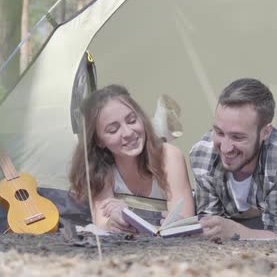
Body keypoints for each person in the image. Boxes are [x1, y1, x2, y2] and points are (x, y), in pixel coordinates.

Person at [190, 78, 277, 239]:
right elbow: (210, 226)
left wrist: (235, 231)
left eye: (238, 137)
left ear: (265, 133)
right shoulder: (202, 154)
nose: (226, 148)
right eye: (219, 132)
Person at [69, 85, 194, 233]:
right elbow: (103, 225)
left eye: (132, 120)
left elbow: (182, 225)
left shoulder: (169, 157)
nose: (128, 133)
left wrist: (132, 218)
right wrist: (116, 222)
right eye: (113, 130)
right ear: (99, 140)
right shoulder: (100, 170)